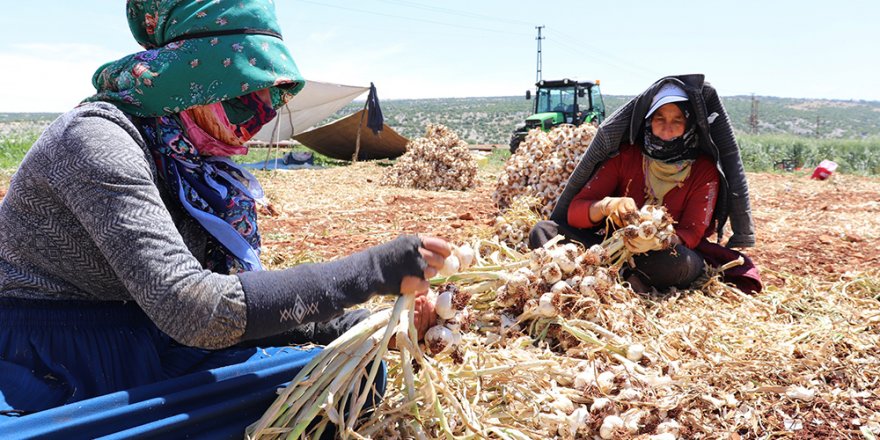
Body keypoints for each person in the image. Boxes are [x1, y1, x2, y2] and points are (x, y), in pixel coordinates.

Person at [0, 0, 446, 437]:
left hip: (151, 334)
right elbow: (196, 309)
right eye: (240, 99)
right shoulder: (96, 140)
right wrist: (370, 273)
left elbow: (233, 299)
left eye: (268, 101)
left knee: (348, 380)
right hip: (52, 354)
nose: (256, 118)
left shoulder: (196, 165)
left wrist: (363, 327)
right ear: (190, 78)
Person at [530, 75, 762, 294]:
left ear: (690, 124)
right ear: (648, 122)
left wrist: (658, 240)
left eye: (677, 120)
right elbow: (574, 212)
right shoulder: (627, 156)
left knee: (679, 263)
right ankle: (615, 276)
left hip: (661, 254)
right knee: (544, 230)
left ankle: (612, 276)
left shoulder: (703, 171)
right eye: (659, 118)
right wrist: (606, 206)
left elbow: (692, 231)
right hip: (610, 246)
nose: (666, 127)